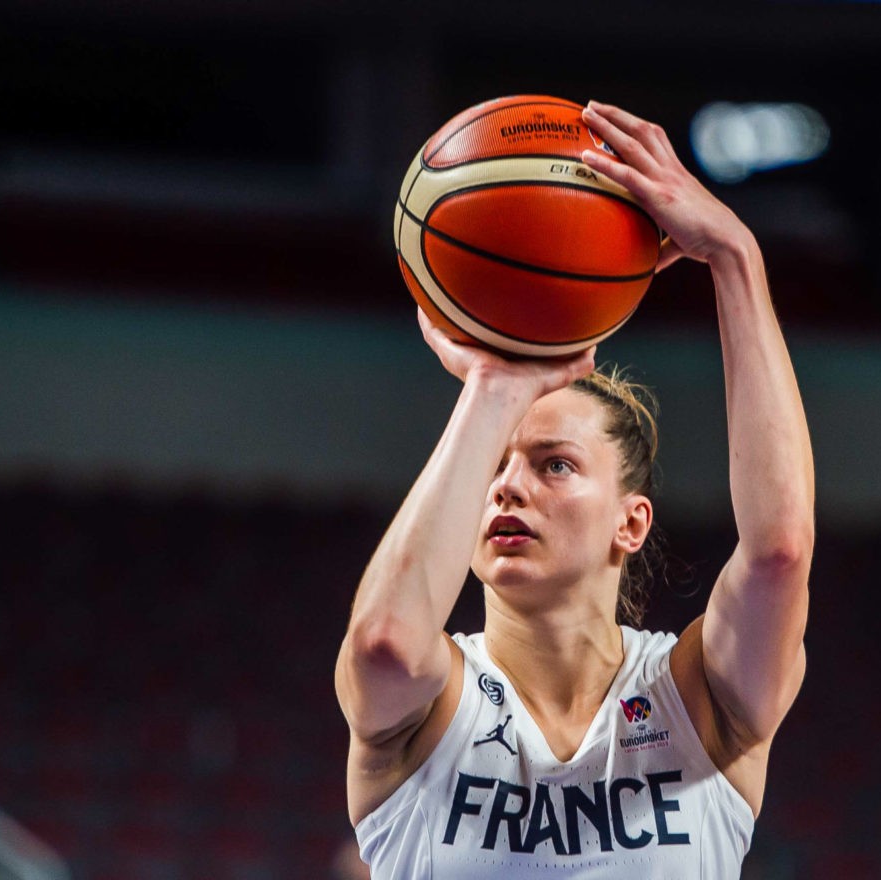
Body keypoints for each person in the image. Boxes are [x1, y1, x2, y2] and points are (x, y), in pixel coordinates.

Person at [334, 100, 813, 877]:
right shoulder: (431, 706)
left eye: (553, 463)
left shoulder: (698, 701)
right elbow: (385, 643)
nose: (507, 488)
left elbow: (780, 553)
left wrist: (733, 256)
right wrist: (492, 390)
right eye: (494, 466)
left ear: (632, 522)